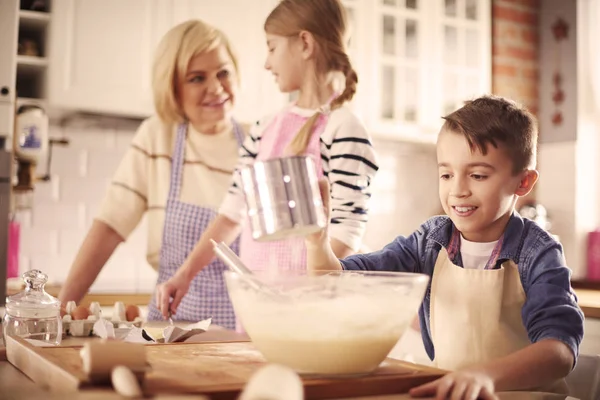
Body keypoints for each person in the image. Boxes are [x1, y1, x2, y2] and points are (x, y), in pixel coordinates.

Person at [305, 95, 584, 399]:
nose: (457, 190)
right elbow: (334, 280)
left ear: (523, 182)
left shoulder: (538, 252)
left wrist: (485, 376)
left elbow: (560, 351)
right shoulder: (429, 241)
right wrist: (317, 240)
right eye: (446, 174)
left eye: (477, 175)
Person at [156, 0, 379, 320]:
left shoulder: (344, 128)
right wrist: (184, 274)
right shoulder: (263, 128)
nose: (266, 63)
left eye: (272, 48)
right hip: (261, 311)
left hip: (314, 312)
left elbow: (347, 231)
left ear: (304, 44)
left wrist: (302, 293)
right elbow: (233, 213)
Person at [58, 20, 248, 329]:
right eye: (197, 78)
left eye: (223, 73)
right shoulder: (159, 136)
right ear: (172, 87)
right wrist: (62, 310)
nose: (216, 88)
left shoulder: (258, 143)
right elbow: (109, 227)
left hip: (242, 333)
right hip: (168, 330)